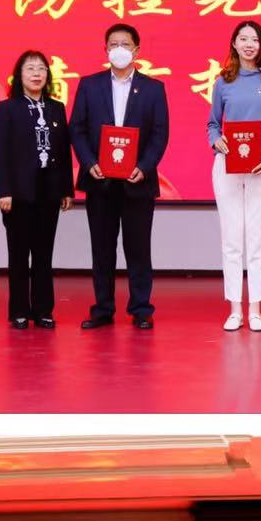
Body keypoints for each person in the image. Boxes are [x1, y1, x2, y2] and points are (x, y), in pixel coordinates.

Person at [69, 22, 169, 329]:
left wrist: (145, 166)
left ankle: (141, 309)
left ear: (136, 50)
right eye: (113, 44)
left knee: (138, 249)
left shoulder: (153, 88)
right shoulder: (90, 85)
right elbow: (77, 129)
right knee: (102, 249)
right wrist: (88, 163)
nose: (119, 49)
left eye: (125, 44)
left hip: (138, 181)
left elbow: (160, 133)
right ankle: (103, 308)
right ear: (105, 50)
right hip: (100, 181)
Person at [207, 20, 261, 332]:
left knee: (257, 238)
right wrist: (216, 140)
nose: (249, 44)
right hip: (227, 165)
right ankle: (234, 309)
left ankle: (255, 308)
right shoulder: (223, 81)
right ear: (234, 44)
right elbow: (213, 124)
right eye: (243, 39)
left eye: (254, 39)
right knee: (231, 238)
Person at [0, 50, 73, 329]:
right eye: (30, 69)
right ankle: (18, 311)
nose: (36, 74)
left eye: (41, 69)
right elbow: (0, 153)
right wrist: (4, 190)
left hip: (49, 191)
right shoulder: (7, 108)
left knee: (43, 254)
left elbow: (63, 152)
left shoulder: (56, 108)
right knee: (18, 254)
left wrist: (66, 189)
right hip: (18, 193)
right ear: (19, 75)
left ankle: (43, 310)